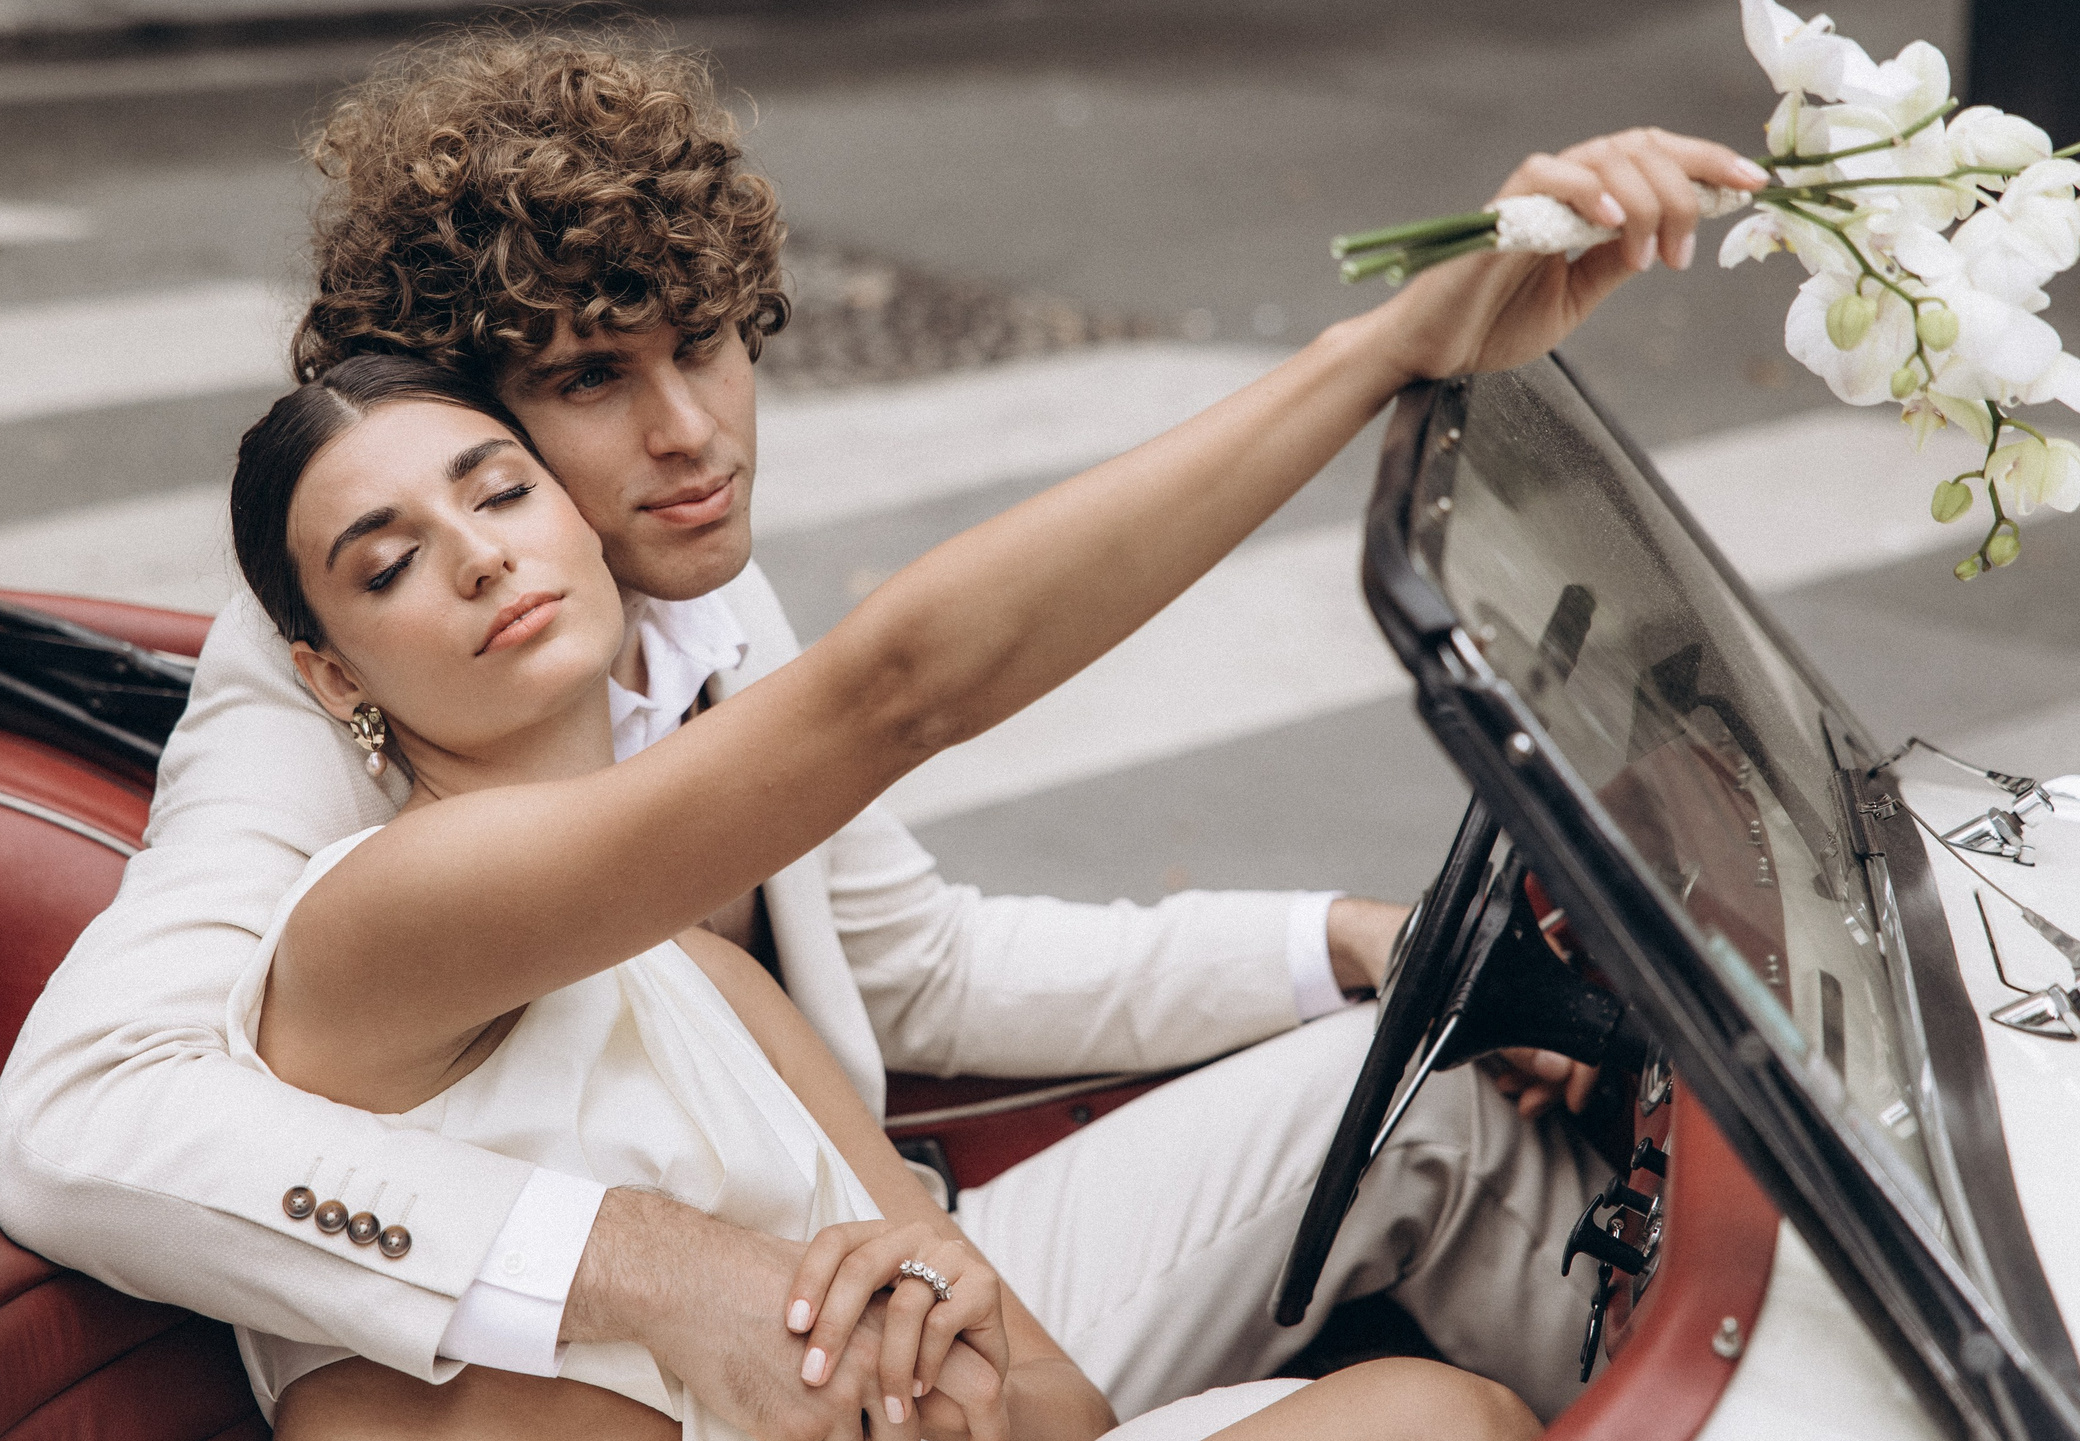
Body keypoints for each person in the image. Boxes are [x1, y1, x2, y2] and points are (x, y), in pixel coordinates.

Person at [0, 21, 1768, 1436]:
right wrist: (662, 1272)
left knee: (1443, 1135)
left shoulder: (664, 581)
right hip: (622, 1347)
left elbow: (906, 969)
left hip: (859, 1293)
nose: (692, 435)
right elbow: (84, 1121)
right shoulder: (327, 722)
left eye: (707, 341)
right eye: (592, 378)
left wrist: (1347, 944)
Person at [227, 350, 1554, 1439]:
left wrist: (953, 1333)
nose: (476, 557)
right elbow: (898, 689)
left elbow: (1054, 1400)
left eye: (502, 494)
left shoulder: (714, 973)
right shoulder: (372, 920)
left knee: (1436, 1412)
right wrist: (1381, 348)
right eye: (386, 562)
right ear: (336, 677)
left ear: (574, 517)